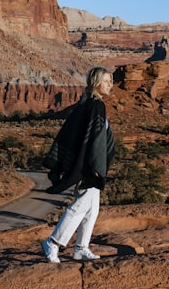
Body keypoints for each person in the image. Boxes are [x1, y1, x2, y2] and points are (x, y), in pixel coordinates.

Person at [41, 66, 115, 263]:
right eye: (107, 81)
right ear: (97, 83)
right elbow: (96, 141)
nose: (111, 85)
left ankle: (81, 248)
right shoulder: (95, 106)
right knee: (80, 206)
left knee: (92, 209)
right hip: (89, 166)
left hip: (88, 164)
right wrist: (96, 167)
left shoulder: (86, 104)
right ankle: (53, 242)